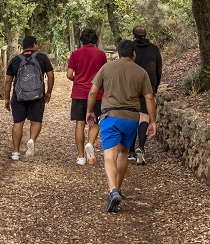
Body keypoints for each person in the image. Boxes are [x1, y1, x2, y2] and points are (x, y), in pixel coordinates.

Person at [86, 39, 156, 212]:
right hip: (131, 117)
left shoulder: (106, 68)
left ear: (118, 52)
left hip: (110, 116)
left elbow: (93, 91)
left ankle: (113, 190)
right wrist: (153, 121)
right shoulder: (141, 72)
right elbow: (149, 98)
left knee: (109, 154)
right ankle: (118, 188)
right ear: (134, 54)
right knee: (124, 152)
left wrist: (90, 111)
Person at [4, 36, 54, 161]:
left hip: (19, 96)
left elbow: (8, 81)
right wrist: (48, 92)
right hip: (37, 95)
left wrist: (6, 98)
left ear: (23, 46)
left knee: (18, 123)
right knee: (36, 121)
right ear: (35, 45)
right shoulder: (42, 57)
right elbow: (51, 75)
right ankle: (31, 140)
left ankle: (15, 152)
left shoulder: (15, 60)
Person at [67, 28, 107, 165]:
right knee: (94, 122)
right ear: (95, 39)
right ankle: (90, 144)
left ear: (82, 39)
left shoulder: (75, 54)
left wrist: (77, 79)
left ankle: (80, 157)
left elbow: (69, 74)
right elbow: (104, 75)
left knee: (80, 123)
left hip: (79, 92)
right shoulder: (101, 55)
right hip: (96, 93)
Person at [128, 25, 162, 166]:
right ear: (146, 35)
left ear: (133, 36)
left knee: (131, 116)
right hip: (149, 85)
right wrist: (155, 85)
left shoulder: (130, 48)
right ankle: (140, 147)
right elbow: (159, 69)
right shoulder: (154, 49)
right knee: (144, 116)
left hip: (132, 85)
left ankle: (130, 151)